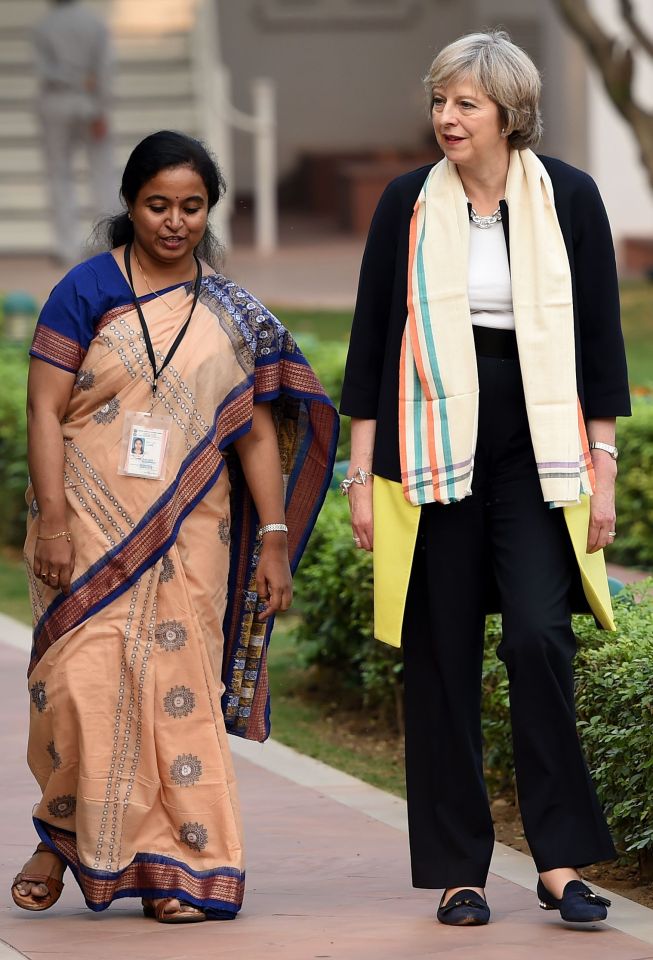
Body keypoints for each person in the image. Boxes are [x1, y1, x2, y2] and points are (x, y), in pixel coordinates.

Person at [340, 30, 630, 927]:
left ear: (508, 110)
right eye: (439, 101)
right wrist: (358, 469)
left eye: (464, 103)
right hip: (433, 443)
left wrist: (603, 464)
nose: (446, 118)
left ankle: (558, 862)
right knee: (440, 657)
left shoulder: (569, 198)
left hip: (534, 443)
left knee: (539, 640)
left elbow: (599, 342)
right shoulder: (407, 204)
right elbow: (369, 339)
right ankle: (460, 869)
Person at [12, 131, 338, 923]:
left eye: (192, 207)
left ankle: (185, 868)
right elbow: (44, 407)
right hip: (83, 523)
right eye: (158, 205)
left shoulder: (229, 312)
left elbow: (257, 432)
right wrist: (53, 519)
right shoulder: (85, 289)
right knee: (78, 694)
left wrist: (273, 538)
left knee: (175, 694)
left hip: (193, 529)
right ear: (130, 204)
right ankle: (64, 833)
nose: (174, 222)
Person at [33, 0, 116, 264]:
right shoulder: (94, 22)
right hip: (89, 100)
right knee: (102, 173)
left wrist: (70, 78)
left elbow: (43, 69)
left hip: (55, 100)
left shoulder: (43, 26)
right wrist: (102, 107)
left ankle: (68, 248)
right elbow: (104, 68)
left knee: (59, 174)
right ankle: (109, 242)